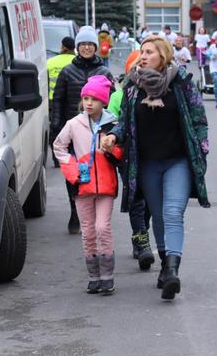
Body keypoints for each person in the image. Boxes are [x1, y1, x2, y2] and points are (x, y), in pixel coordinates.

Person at [101, 35, 209, 301]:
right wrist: (114, 136)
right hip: (147, 163)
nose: (143, 56)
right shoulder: (131, 86)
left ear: (163, 55)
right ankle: (165, 264)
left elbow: (199, 118)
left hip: (178, 161)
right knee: (159, 215)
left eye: (149, 52)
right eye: (142, 52)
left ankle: (172, 271)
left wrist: (202, 148)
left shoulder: (182, 82)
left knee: (173, 212)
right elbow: (124, 122)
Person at [54, 76, 123, 295]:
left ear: (104, 101)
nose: (89, 103)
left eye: (94, 98)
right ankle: (93, 277)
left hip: (106, 186)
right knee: (88, 231)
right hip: (82, 186)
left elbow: (124, 153)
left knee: (103, 227)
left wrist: (112, 151)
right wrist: (72, 170)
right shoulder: (74, 124)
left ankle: (108, 276)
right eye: (86, 98)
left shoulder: (113, 126)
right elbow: (59, 147)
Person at [51, 26, 114, 234]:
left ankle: (96, 210)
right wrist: (56, 126)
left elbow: (112, 105)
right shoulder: (67, 72)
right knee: (74, 172)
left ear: (95, 47)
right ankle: (75, 210)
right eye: (83, 44)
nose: (86, 48)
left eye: (90, 44)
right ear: (77, 47)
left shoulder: (104, 73)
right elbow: (57, 100)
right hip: (73, 131)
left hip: (98, 132)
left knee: (97, 170)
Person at [107, 50, 155, 271]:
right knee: (136, 200)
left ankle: (141, 233)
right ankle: (141, 242)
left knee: (149, 204)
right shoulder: (119, 96)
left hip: (152, 156)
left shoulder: (159, 91)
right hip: (127, 157)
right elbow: (113, 123)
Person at [47, 36, 76, 167]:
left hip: (53, 101)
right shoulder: (75, 62)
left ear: (63, 47)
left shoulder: (50, 62)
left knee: (56, 129)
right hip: (72, 101)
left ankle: (57, 158)